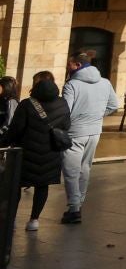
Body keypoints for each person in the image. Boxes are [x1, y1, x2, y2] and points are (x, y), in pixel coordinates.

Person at [3, 72, 70, 234]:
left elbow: (16, 129)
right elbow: (66, 126)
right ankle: (34, 220)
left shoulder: (27, 104)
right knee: (42, 186)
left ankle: (11, 220)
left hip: (25, 153)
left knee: (16, 186)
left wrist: (4, 143)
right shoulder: (62, 103)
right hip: (50, 153)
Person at [57, 52, 116, 225]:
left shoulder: (72, 85)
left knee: (70, 171)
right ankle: (78, 203)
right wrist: (96, 116)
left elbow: (65, 110)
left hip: (75, 131)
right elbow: (114, 105)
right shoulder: (105, 82)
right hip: (94, 130)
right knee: (85, 168)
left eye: (70, 64)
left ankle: (74, 209)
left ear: (77, 65)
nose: (67, 67)